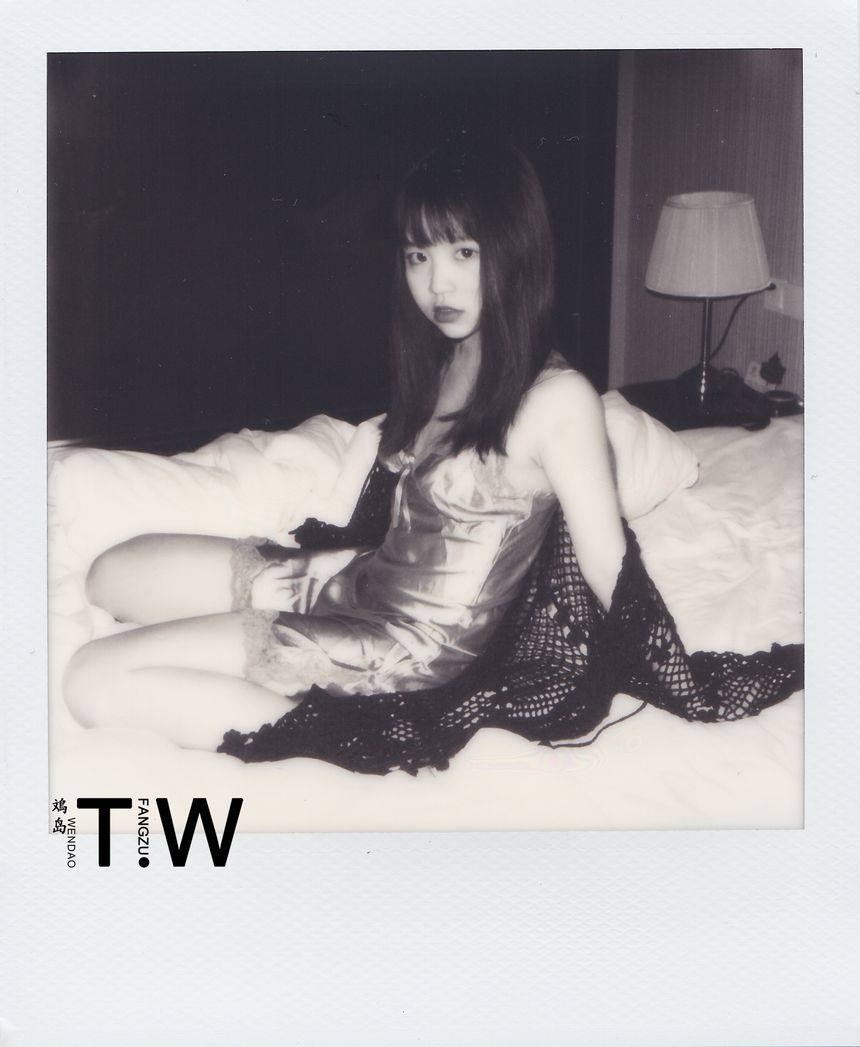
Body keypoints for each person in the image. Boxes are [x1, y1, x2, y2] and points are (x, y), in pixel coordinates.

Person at [63, 140, 628, 753]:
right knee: (107, 574)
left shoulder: (559, 398)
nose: (437, 283)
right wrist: (306, 569)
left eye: (464, 252)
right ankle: (268, 657)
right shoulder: (451, 355)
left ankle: (331, 732)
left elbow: (609, 567)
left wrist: (662, 677)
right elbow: (400, 518)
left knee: (91, 679)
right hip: (360, 580)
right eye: (419, 255)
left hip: (403, 653)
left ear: (516, 249)